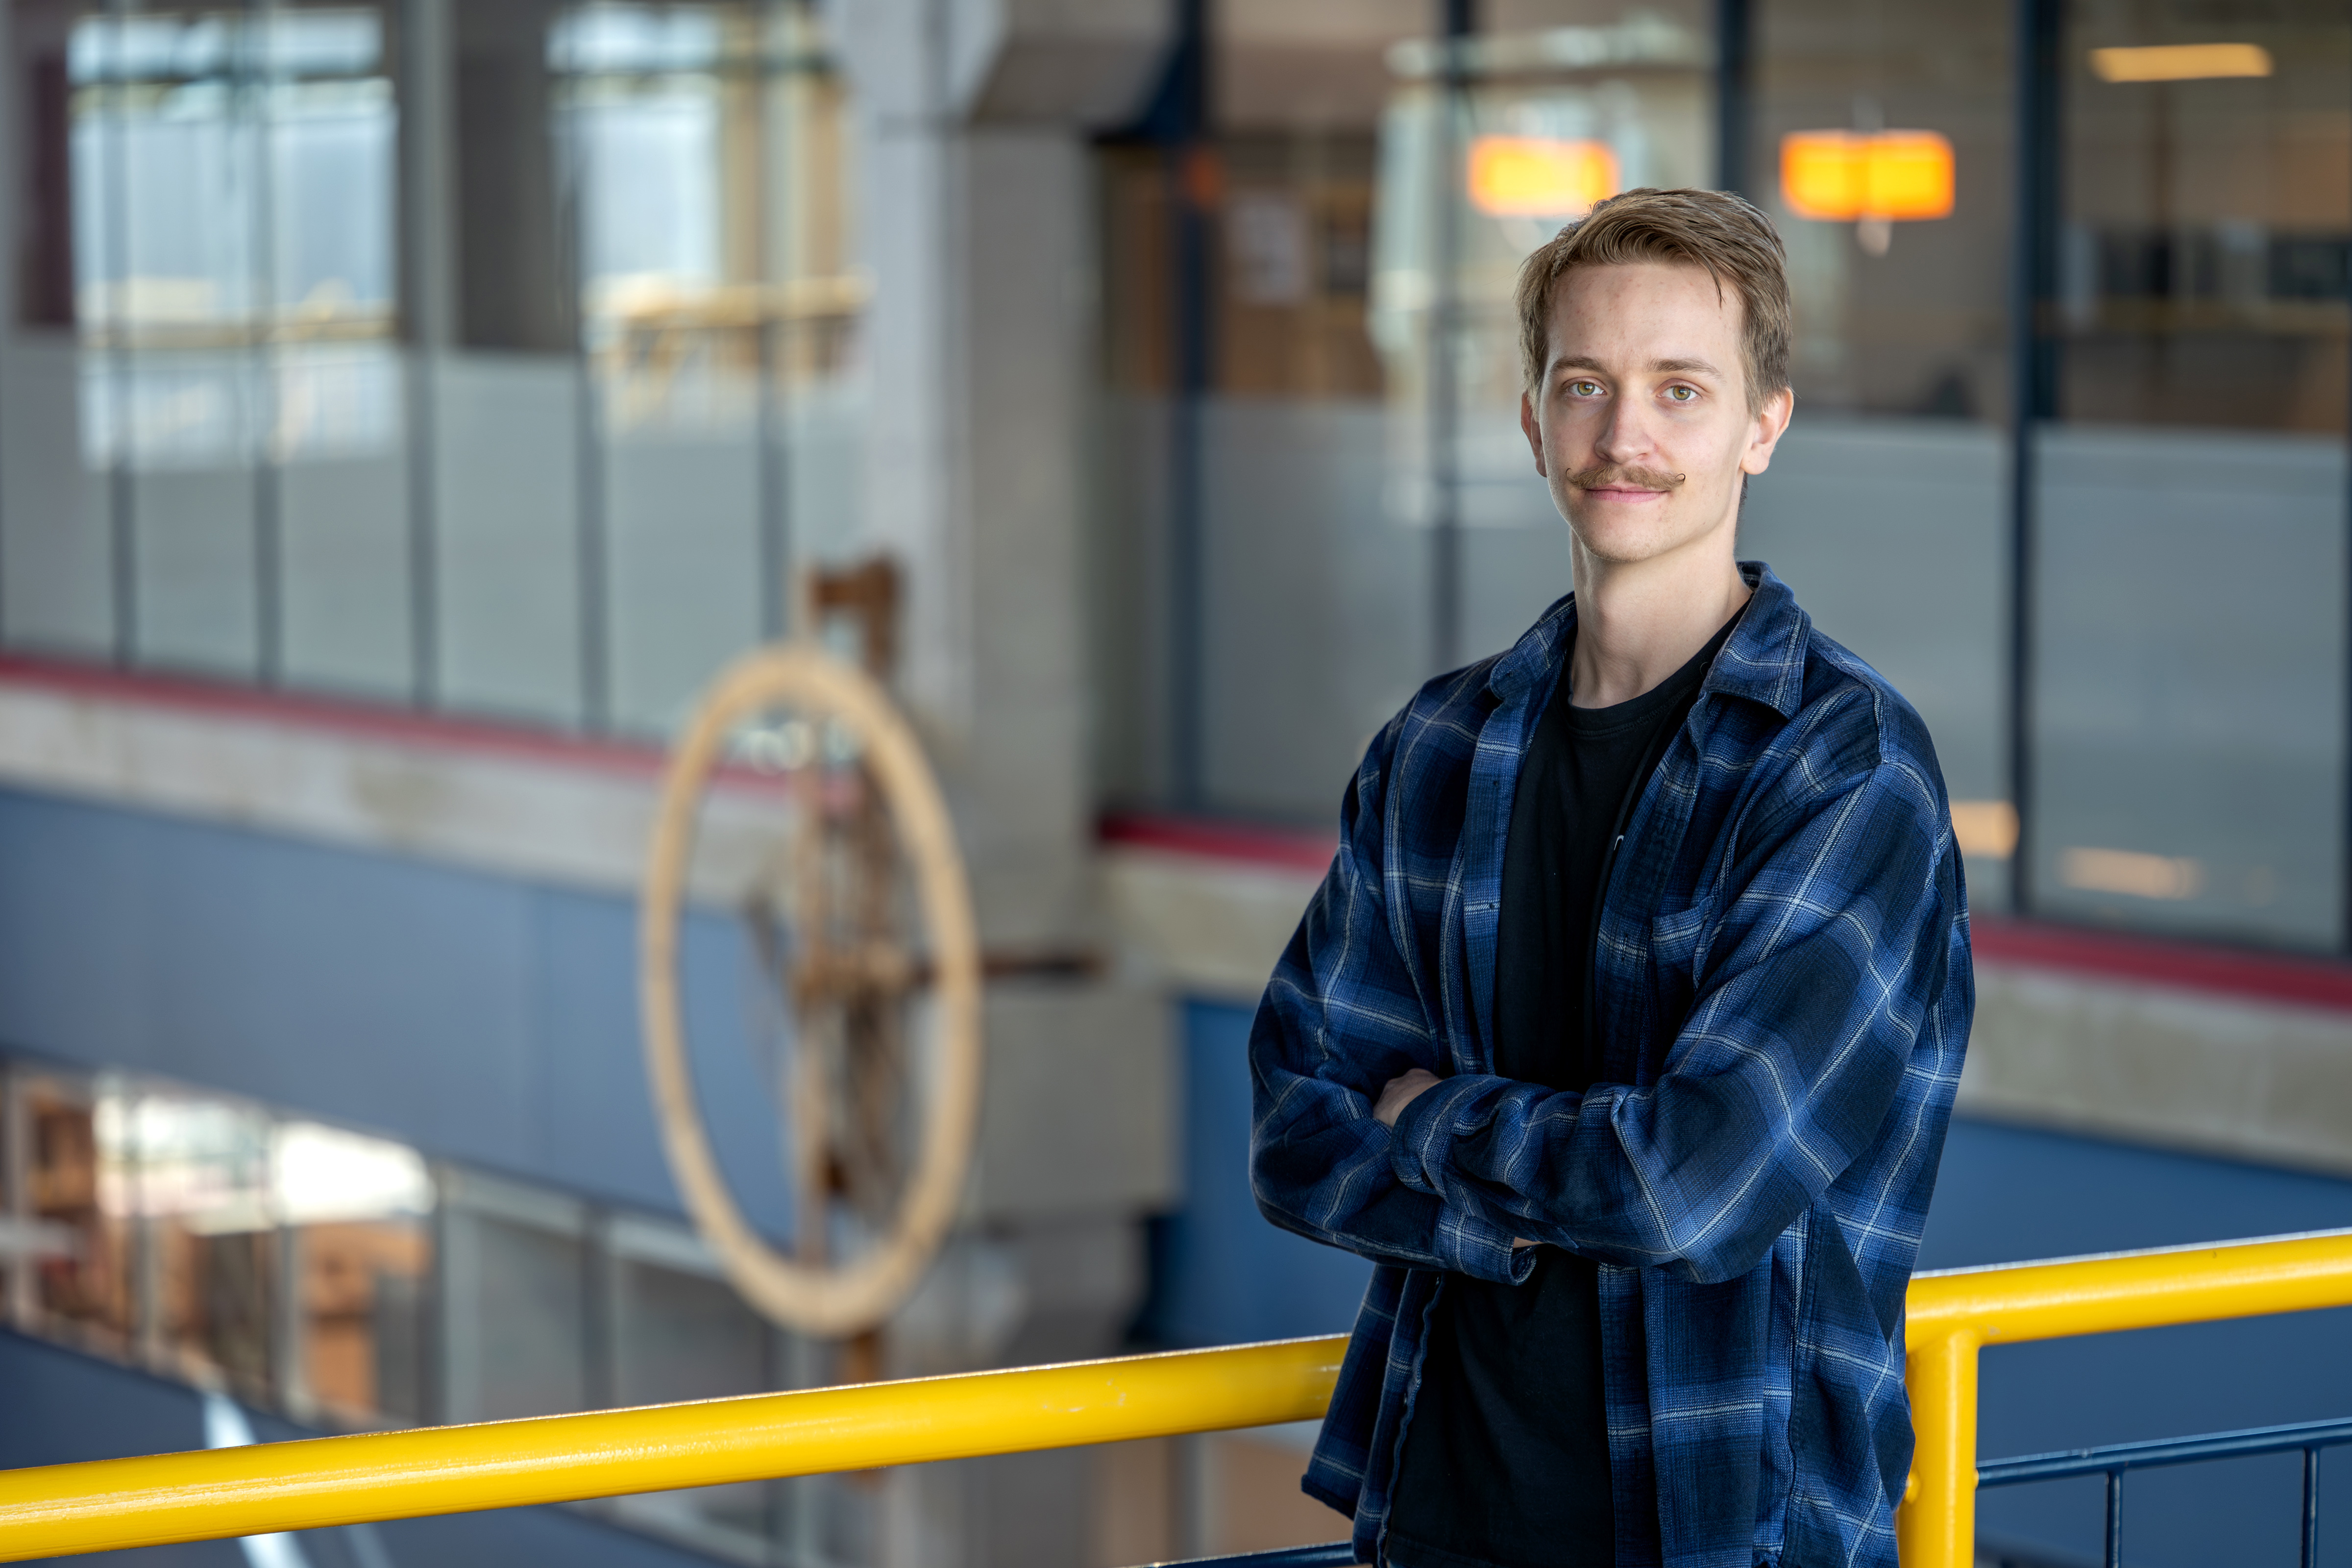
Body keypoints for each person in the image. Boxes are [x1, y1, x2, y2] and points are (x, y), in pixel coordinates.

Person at [1246, 187, 1973, 1568]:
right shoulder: (1440, 750)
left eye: (1680, 390)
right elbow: (1295, 1125)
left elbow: (1694, 1185)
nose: (1625, 435)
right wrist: (1561, 1176)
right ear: (1531, 417)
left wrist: (1435, 1122)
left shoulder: (1844, 774)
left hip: (1729, 1531)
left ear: (1765, 424)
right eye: (1585, 384)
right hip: (1436, 1521)